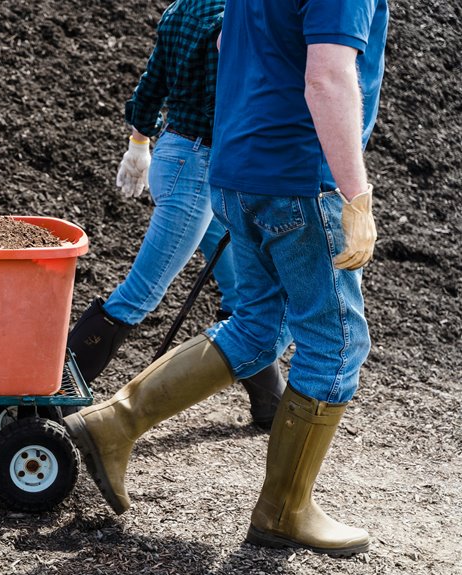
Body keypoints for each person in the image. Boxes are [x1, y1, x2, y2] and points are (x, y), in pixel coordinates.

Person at [64, 0, 388, 557]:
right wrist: (356, 195)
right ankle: (284, 512)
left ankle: (114, 423)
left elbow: (225, 49)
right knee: (336, 344)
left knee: (258, 324)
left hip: (236, 170)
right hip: (299, 179)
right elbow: (328, 77)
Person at [66, 0, 284, 429]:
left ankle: (270, 402)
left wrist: (139, 145)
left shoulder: (181, 8)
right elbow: (242, 97)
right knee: (142, 293)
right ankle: (51, 393)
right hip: (201, 168)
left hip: (174, 155)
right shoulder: (238, 18)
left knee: (240, 289)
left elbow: (151, 85)